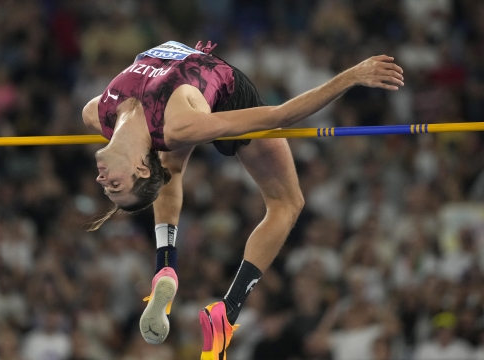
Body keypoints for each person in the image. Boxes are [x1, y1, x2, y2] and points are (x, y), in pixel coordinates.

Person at [81, 40, 404, 359]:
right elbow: (279, 115)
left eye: (108, 187)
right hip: (226, 98)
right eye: (115, 186)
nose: (101, 181)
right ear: (139, 166)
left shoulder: (96, 114)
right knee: (287, 204)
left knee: (170, 165)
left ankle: (166, 267)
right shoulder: (175, 127)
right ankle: (227, 310)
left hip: (176, 116)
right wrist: (352, 76)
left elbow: (149, 142)